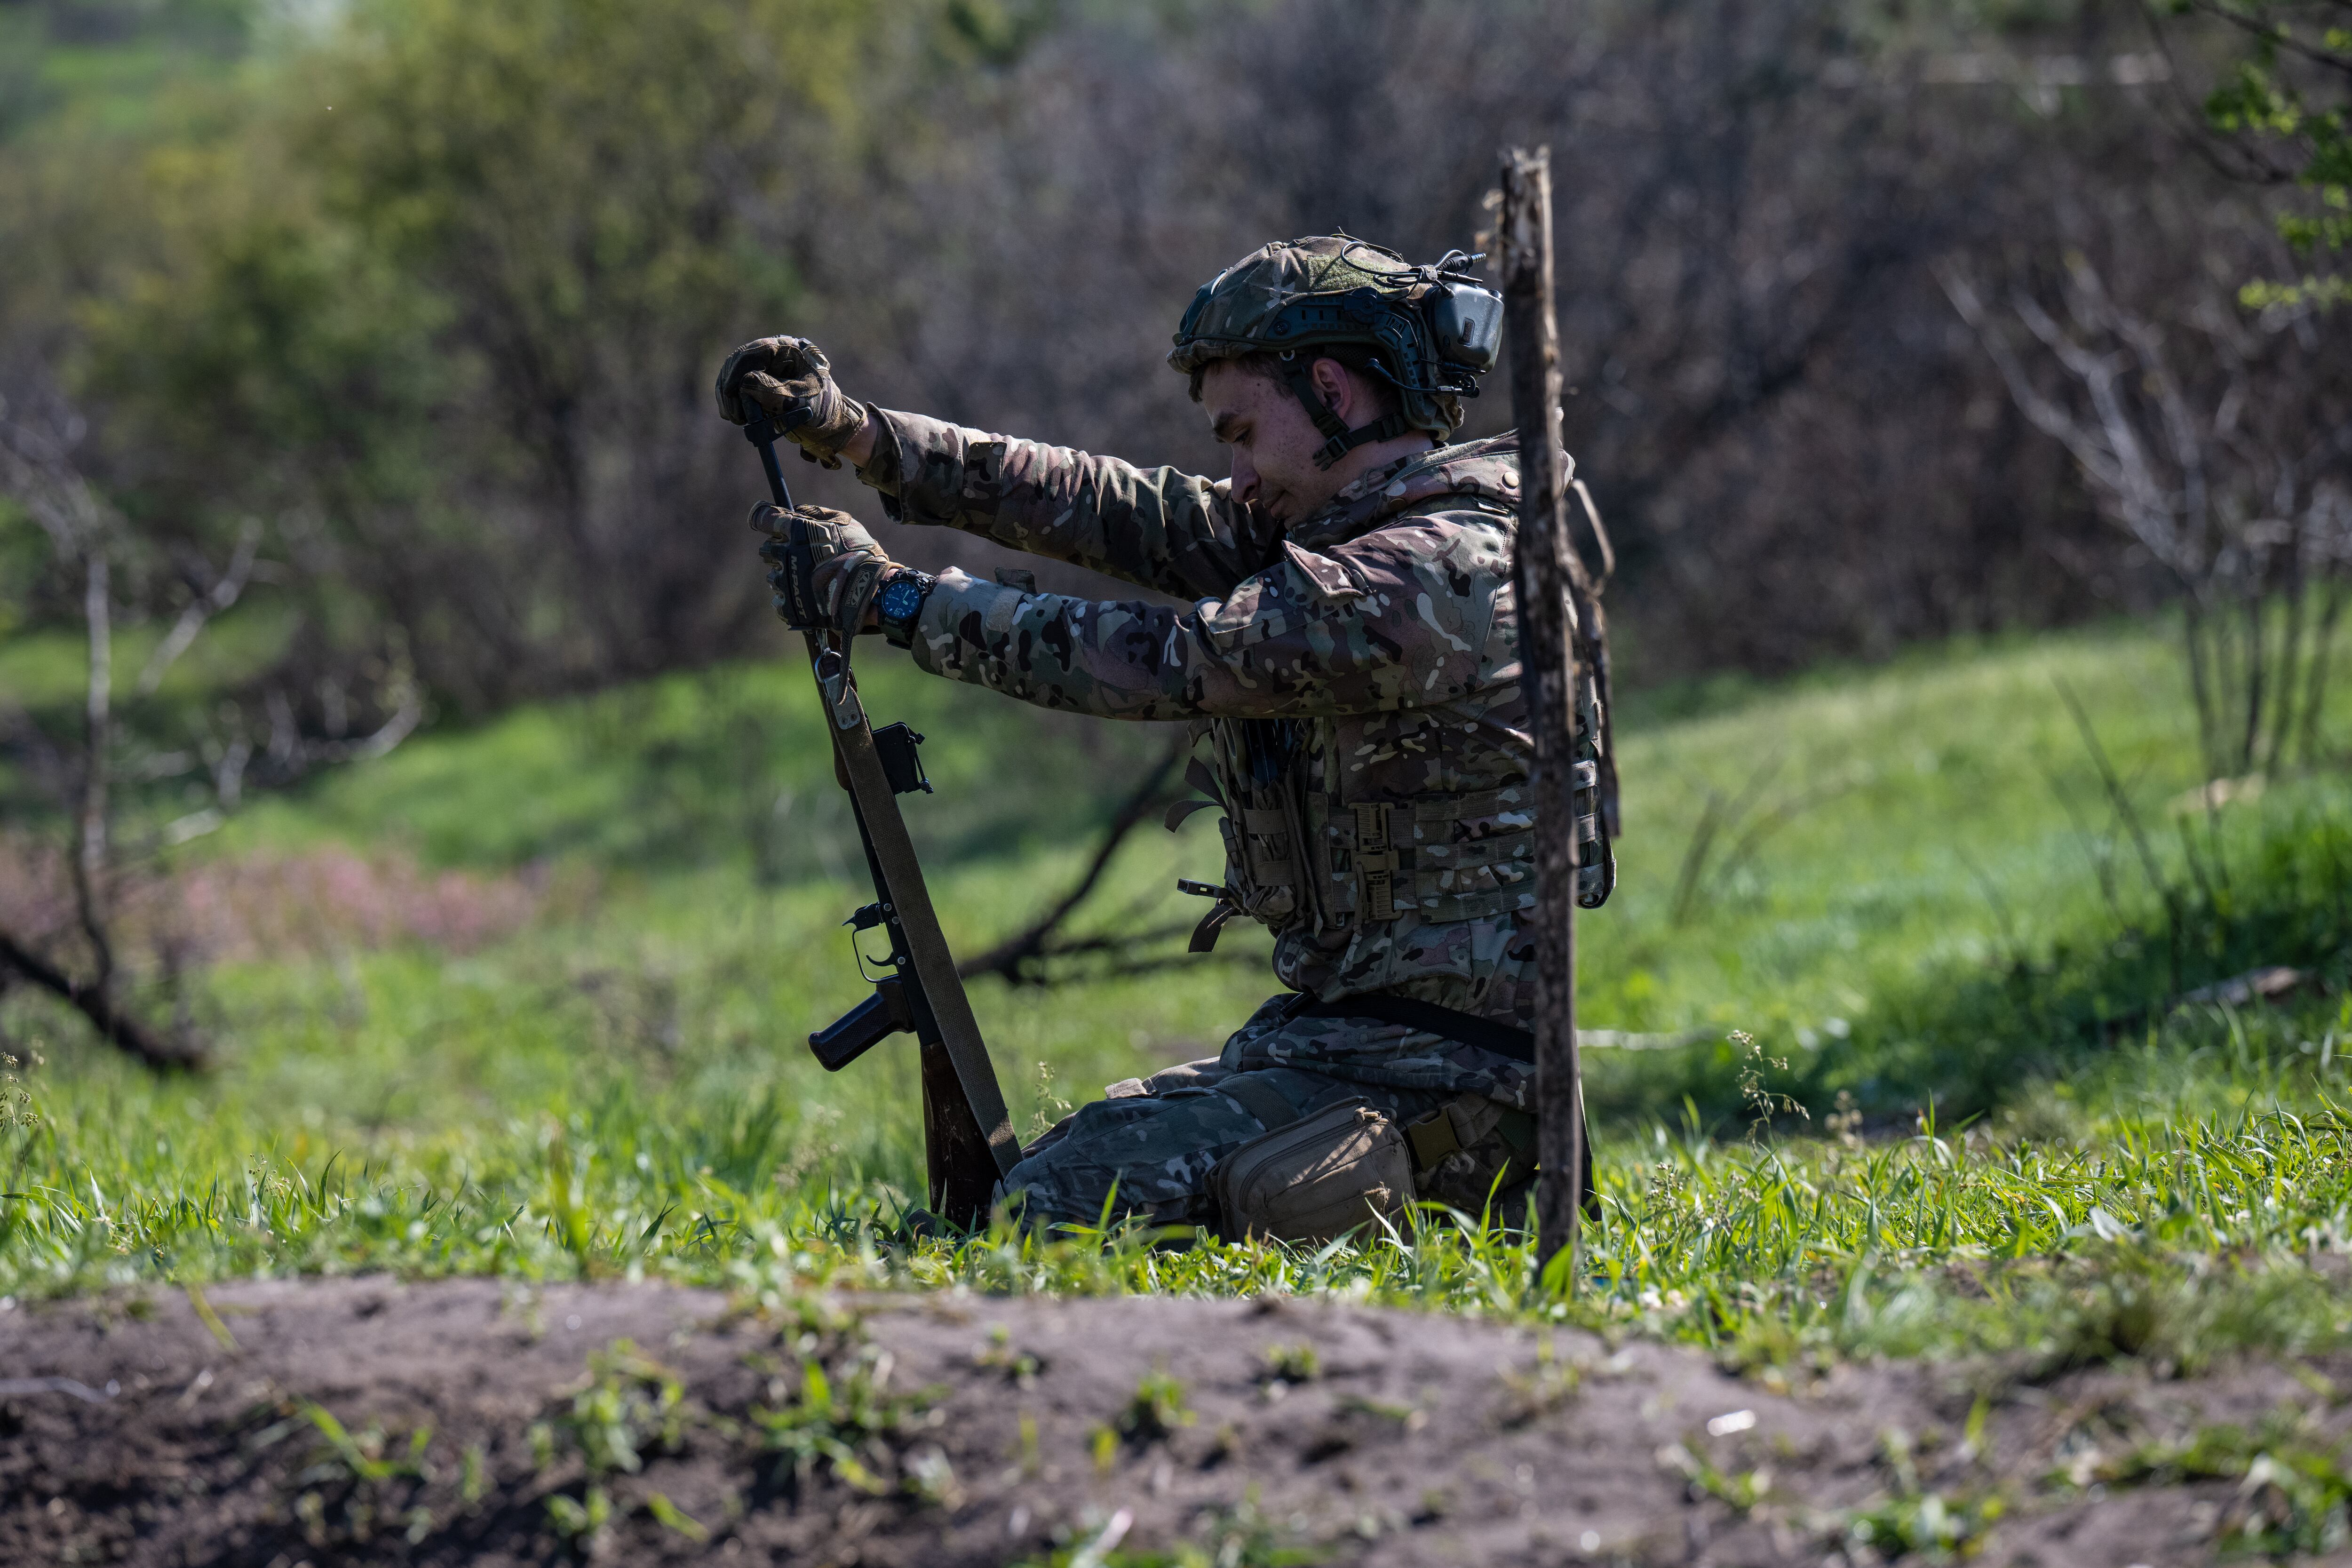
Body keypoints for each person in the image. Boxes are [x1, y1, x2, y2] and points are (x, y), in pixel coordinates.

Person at [715, 235, 1613, 1237]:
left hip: (1459, 1089)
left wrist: (892, 600)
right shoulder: (1329, 530)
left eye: (1241, 433)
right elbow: (1109, 508)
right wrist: (860, 435)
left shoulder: (1434, 570)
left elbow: (1172, 659)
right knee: (1016, 1195)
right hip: (1339, 1051)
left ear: (1330, 389)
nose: (1232, 476)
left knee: (1049, 1209)